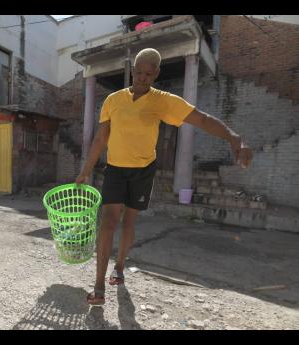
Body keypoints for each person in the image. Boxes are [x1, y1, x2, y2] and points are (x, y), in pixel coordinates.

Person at [75, 48, 253, 305]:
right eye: (138, 72)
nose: (142, 78)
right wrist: (85, 171)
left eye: (149, 74)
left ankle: (120, 268)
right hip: (115, 168)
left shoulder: (163, 101)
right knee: (108, 222)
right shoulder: (113, 100)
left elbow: (201, 119)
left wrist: (234, 137)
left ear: (156, 73)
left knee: (129, 222)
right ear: (132, 69)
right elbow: (101, 138)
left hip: (143, 170)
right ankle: (99, 286)